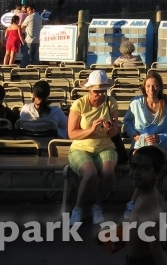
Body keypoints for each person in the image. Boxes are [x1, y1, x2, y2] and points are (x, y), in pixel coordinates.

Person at [67, 70, 120, 225]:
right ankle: (78, 207)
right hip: (81, 147)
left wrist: (111, 128)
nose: (100, 94)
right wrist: (91, 129)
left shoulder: (111, 102)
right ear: (89, 90)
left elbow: (114, 133)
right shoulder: (79, 104)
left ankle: (97, 206)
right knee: (90, 174)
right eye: (97, 91)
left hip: (105, 146)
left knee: (108, 172)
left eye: (103, 91)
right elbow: (72, 134)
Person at [122, 145, 167, 265]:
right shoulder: (154, 193)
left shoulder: (144, 205)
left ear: (157, 174)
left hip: (140, 261)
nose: (136, 173)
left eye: (144, 169)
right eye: (133, 167)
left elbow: (154, 245)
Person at [123, 71, 167, 150]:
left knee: (152, 156)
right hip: (138, 146)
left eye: (155, 86)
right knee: (140, 158)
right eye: (148, 86)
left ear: (160, 87)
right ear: (144, 87)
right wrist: (133, 134)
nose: (151, 89)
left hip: (160, 146)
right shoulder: (136, 103)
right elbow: (127, 121)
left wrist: (160, 137)